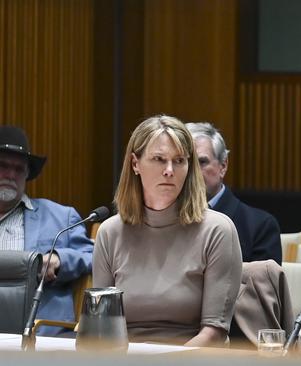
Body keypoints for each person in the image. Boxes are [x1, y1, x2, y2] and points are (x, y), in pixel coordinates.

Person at [93, 116, 242, 347]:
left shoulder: (217, 230)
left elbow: (214, 332)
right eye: (159, 159)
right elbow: (101, 326)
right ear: (135, 164)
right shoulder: (110, 232)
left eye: (179, 161)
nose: (169, 170)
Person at [0, 125, 93, 336]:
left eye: (19, 169)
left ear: (27, 175)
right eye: (3, 166)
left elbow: (97, 257)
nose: (10, 175)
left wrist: (61, 260)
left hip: (40, 335)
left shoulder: (61, 217)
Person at [186, 122, 282, 264]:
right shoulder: (165, 218)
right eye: (185, 161)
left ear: (223, 166)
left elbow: (262, 285)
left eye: (202, 162)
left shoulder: (260, 226)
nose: (192, 171)